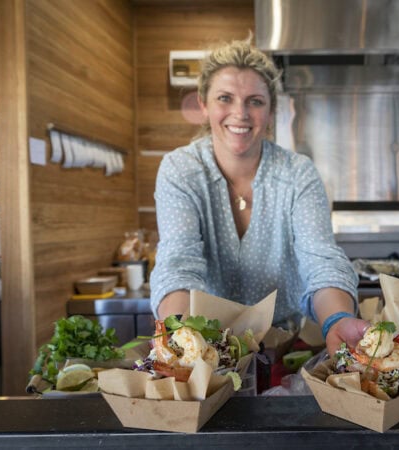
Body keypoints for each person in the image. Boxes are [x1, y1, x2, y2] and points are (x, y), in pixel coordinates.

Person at [150, 38, 369, 354]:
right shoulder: (181, 170)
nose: (240, 113)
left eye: (255, 101)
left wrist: (337, 320)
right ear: (203, 104)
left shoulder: (298, 174)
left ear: (271, 109)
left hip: (284, 348)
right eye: (225, 98)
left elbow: (320, 259)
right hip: (205, 349)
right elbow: (177, 261)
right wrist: (180, 336)